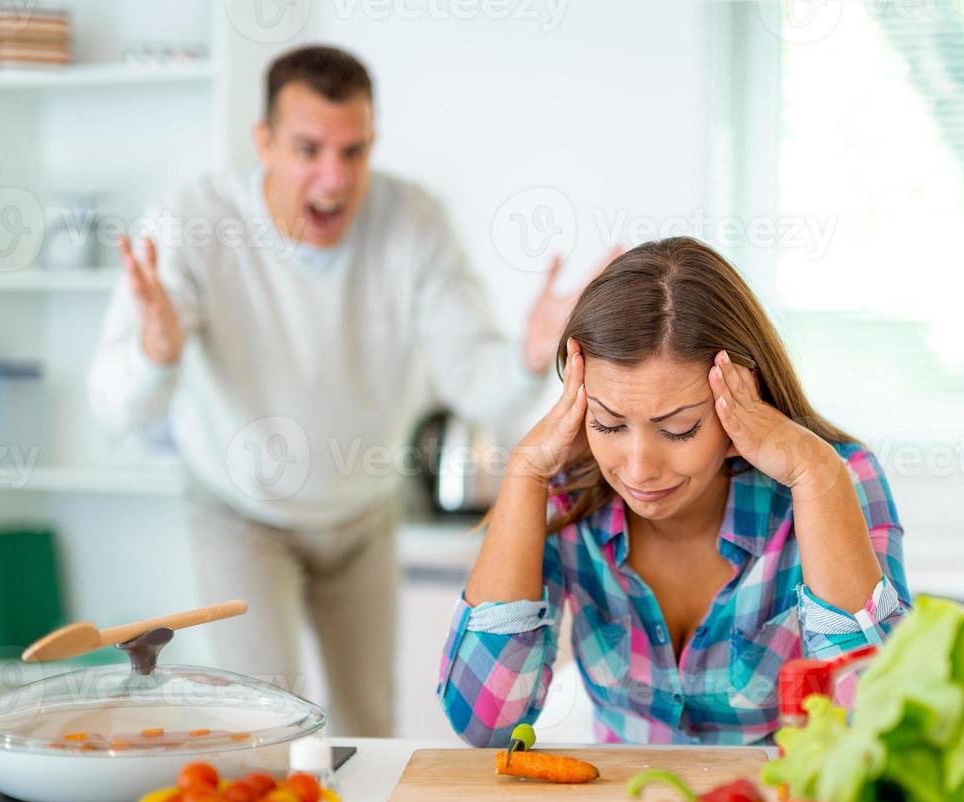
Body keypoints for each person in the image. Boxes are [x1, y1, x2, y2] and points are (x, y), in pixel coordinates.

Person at [88, 46, 605, 736]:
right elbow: (116, 410)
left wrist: (530, 354)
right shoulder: (191, 224)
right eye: (309, 149)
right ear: (263, 142)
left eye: (354, 151)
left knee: (369, 725)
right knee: (260, 721)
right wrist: (157, 355)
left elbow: (477, 382)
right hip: (240, 510)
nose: (334, 178)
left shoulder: (413, 220)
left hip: (361, 512)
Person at [438, 237, 910, 746]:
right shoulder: (563, 491)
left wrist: (818, 476)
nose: (639, 469)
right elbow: (485, 726)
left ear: (741, 404)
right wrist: (525, 473)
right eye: (608, 423)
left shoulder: (837, 477)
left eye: (679, 428)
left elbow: (878, 726)